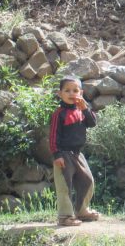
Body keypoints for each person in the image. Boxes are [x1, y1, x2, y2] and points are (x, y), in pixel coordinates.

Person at [48, 76, 101, 226]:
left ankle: (82, 211)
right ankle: (65, 216)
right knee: (65, 185)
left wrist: (85, 108)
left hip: (78, 154)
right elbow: (53, 136)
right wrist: (57, 154)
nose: (72, 93)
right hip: (63, 154)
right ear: (60, 94)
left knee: (87, 180)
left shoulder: (81, 111)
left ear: (81, 93)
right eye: (67, 90)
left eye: (75, 90)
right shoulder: (59, 114)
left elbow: (92, 123)